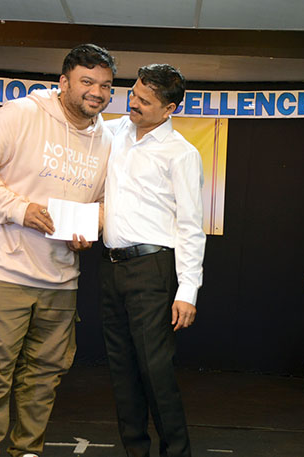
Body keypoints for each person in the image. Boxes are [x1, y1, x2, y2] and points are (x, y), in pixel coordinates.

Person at [0, 44, 116, 457]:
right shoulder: (23, 114)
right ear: (63, 82)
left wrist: (91, 227)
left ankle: (27, 452)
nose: (97, 92)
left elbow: (105, 202)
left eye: (105, 85)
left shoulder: (108, 139)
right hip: (4, 272)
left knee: (43, 381)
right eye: (87, 81)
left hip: (61, 280)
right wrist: (18, 209)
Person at [100, 64, 206, 457]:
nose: (133, 103)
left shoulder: (182, 153)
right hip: (111, 266)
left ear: (169, 109)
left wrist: (188, 290)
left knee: (155, 372)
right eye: (133, 94)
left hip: (153, 269)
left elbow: (191, 226)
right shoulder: (113, 133)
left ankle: (176, 453)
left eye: (144, 101)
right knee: (122, 372)